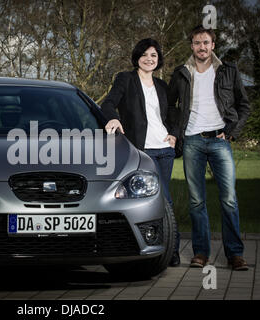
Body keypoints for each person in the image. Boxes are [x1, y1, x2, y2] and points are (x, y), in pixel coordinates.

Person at [167, 25, 250, 271]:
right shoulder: (181, 73)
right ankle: (200, 253)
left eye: (206, 42)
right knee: (196, 201)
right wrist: (175, 132)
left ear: (213, 45)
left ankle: (235, 254)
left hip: (220, 141)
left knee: (229, 199)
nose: (201, 47)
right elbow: (170, 106)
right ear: (191, 46)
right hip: (192, 140)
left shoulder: (228, 71)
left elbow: (244, 105)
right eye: (196, 43)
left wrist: (232, 132)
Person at [101, 38, 180, 267]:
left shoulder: (163, 86)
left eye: (154, 55)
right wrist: (113, 118)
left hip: (164, 149)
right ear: (137, 57)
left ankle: (171, 251)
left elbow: (173, 114)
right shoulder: (126, 79)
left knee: (166, 200)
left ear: (159, 60)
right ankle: (151, 247)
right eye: (145, 55)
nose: (149, 59)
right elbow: (108, 103)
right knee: (148, 199)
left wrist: (173, 134)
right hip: (141, 150)